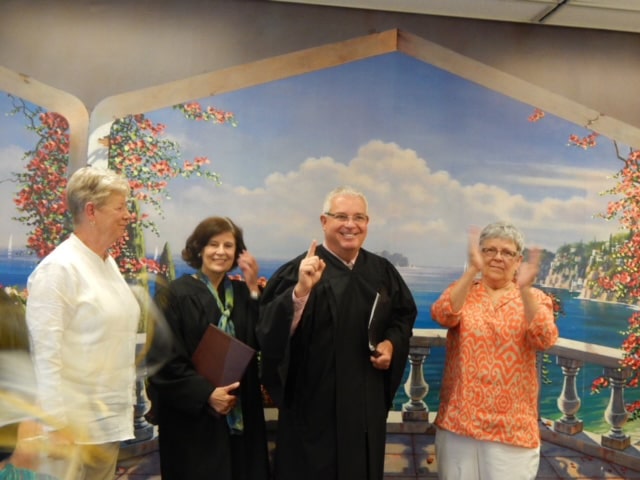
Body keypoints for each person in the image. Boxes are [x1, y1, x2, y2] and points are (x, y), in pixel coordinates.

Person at [257, 186, 417, 480]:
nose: (350, 225)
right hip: (313, 403)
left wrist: (392, 344)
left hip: (364, 404)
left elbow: (403, 317)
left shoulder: (381, 271)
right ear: (324, 221)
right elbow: (268, 333)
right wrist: (301, 291)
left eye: (359, 217)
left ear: (367, 224)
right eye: (341, 216)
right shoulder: (299, 270)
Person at [25, 166, 140, 480]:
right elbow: (45, 355)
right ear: (92, 210)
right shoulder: (59, 270)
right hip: (71, 431)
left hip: (106, 423)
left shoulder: (107, 262)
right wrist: (56, 425)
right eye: (120, 207)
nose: (127, 215)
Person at [431, 221, 559, 480]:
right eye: (489, 250)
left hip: (512, 428)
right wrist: (471, 272)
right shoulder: (464, 291)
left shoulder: (536, 298)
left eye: (507, 252)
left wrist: (524, 290)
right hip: (459, 421)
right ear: (479, 254)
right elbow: (443, 314)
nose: (498, 257)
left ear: (518, 260)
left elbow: (544, 338)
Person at [148, 216, 270, 480]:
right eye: (213, 244)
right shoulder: (174, 295)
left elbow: (261, 338)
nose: (221, 252)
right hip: (193, 418)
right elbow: (164, 359)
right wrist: (207, 394)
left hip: (239, 413)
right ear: (199, 248)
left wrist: (252, 289)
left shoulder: (240, 293)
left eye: (229, 246)